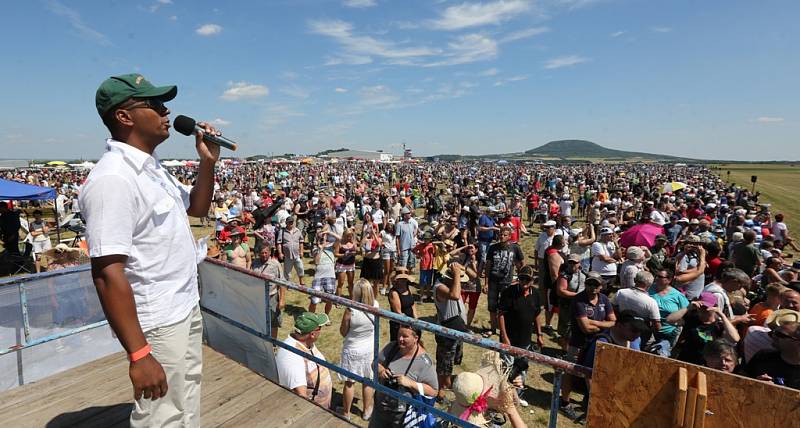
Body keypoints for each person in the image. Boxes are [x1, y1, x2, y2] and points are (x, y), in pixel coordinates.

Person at [81, 74, 219, 427]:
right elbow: (107, 272)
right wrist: (140, 354)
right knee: (160, 415)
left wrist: (208, 163)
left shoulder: (152, 168)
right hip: (156, 320)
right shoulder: (113, 179)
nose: (165, 110)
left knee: (186, 397)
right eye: (154, 104)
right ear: (124, 117)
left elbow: (197, 212)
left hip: (183, 304)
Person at [370, 325, 438, 428]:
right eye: (399, 335)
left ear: (416, 338)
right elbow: (374, 363)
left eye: (404, 336)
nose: (400, 339)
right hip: (380, 410)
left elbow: (433, 391)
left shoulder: (424, 362)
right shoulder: (392, 347)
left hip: (402, 417)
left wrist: (409, 383)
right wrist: (381, 371)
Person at [497, 264, 542, 406]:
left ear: (532, 281)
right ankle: (503, 395)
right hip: (509, 338)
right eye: (522, 278)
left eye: (527, 279)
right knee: (507, 367)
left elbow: (537, 315)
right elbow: (501, 314)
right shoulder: (508, 292)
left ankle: (518, 395)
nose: (524, 282)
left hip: (525, 339)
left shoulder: (536, 294)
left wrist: (539, 334)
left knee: (522, 367)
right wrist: (504, 336)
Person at [339, 279, 378, 421]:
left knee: (350, 382)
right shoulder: (376, 305)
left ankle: (346, 413)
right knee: (367, 380)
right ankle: (367, 411)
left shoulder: (351, 309)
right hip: (368, 349)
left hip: (352, 349)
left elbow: (343, 331)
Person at [276, 312, 333, 408]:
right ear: (312, 334)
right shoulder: (293, 358)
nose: (321, 331)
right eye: (320, 328)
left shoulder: (305, 343)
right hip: (315, 413)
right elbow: (301, 396)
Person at [670, 292, 740, 365]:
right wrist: (688, 308)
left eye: (706, 307)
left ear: (714, 307)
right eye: (701, 306)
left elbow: (735, 338)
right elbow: (670, 320)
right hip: (686, 360)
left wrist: (722, 316)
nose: (703, 310)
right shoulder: (692, 318)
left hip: (708, 364)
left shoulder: (719, 325)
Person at [434, 263, 469, 401]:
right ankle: (441, 390)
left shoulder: (453, 283)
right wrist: (456, 274)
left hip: (457, 329)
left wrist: (462, 267)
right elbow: (454, 295)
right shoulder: (439, 287)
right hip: (447, 332)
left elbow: (474, 276)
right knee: (444, 363)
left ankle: (445, 385)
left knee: (451, 361)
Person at [484, 226, 524, 338]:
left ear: (509, 236)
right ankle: (493, 328)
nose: (502, 236)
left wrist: (519, 280)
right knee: (492, 306)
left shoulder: (515, 248)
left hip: (507, 282)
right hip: (493, 281)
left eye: (505, 235)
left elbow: (521, 265)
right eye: (500, 234)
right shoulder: (492, 248)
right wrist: (486, 282)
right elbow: (488, 266)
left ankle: (504, 330)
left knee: (505, 307)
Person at [744, 320, 800, 389]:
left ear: (797, 342)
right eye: (774, 332)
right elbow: (741, 380)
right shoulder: (763, 356)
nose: (773, 336)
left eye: (780, 335)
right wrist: (755, 383)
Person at [648, 269, 690, 357]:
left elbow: (687, 311)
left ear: (669, 280)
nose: (657, 278)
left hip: (669, 333)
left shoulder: (677, 295)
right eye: (656, 276)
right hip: (649, 330)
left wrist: (681, 321)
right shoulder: (649, 288)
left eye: (660, 277)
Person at [252, 244, 285, 339]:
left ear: (270, 252)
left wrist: (282, 299)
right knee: (259, 320)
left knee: (274, 321)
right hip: (258, 297)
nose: (264, 255)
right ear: (259, 253)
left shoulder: (276, 264)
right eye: (262, 253)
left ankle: (273, 344)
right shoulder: (255, 263)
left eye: (266, 252)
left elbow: (282, 283)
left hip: (272, 297)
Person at [674, 235, 708, 300]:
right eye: (690, 243)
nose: (693, 246)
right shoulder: (684, 256)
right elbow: (680, 273)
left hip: (697, 294)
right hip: (688, 295)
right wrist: (698, 269)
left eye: (696, 244)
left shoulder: (697, 255)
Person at [388, 268, 418, 341]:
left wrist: (416, 320)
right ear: (397, 280)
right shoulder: (394, 292)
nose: (404, 280)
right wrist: (408, 325)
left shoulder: (407, 288)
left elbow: (412, 304)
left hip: (410, 322)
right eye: (402, 278)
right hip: (399, 324)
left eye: (405, 278)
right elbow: (398, 312)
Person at [278, 217, 305, 286]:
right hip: (287, 255)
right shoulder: (282, 231)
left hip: (297, 254)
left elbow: (301, 242)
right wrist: (280, 253)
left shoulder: (298, 231)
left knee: (300, 268)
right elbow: (279, 243)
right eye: (289, 222)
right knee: (287, 271)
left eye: (292, 222)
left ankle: (301, 282)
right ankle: (288, 284)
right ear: (286, 223)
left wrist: (301, 251)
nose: (290, 224)